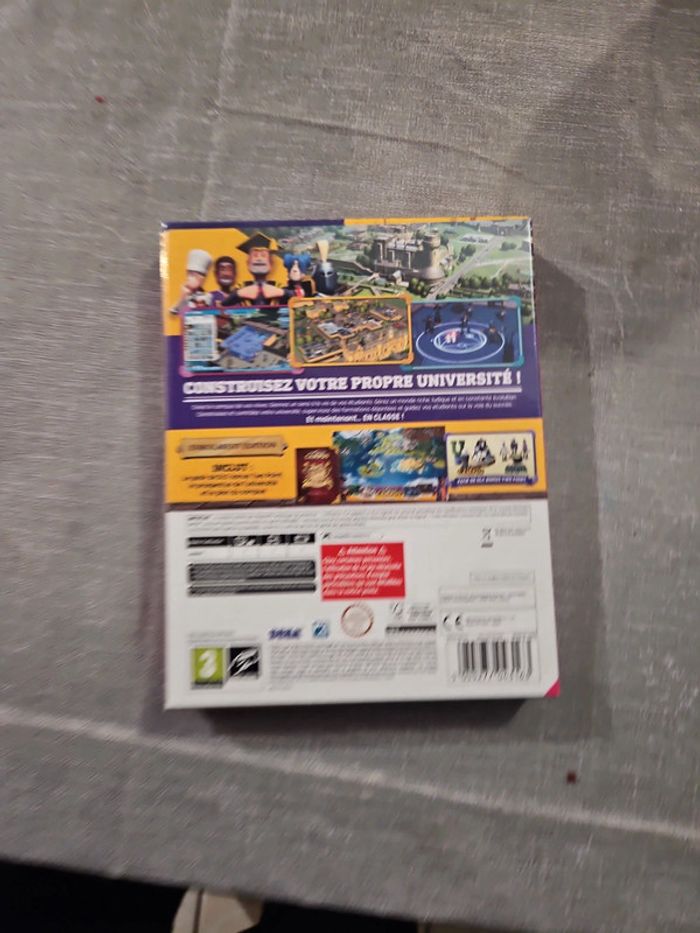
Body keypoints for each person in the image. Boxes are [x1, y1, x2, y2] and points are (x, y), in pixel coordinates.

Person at [221, 232, 285, 306]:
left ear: (271, 263)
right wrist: (240, 293)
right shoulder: (241, 287)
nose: (259, 259)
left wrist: (281, 292)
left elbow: (293, 297)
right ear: (248, 263)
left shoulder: (278, 286)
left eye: (263, 255)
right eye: (255, 255)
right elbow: (225, 303)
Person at [170, 249, 212, 314]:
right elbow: (174, 312)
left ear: (202, 279)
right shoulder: (186, 296)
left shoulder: (207, 297)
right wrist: (182, 297)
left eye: (192, 275)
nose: (188, 278)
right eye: (188, 274)